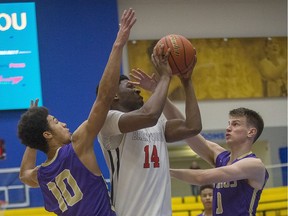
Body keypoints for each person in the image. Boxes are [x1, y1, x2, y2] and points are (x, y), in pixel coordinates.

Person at [17, 8, 136, 216]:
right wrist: (118, 45)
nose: (63, 123)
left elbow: (24, 175)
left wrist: (32, 130)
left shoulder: (42, 176)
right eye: (55, 121)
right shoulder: (77, 146)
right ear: (47, 134)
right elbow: (104, 98)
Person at [97, 45, 201, 216]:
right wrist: (165, 77)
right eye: (130, 86)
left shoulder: (155, 122)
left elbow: (192, 126)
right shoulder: (108, 120)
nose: (137, 88)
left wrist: (186, 81)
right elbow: (150, 114)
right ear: (114, 95)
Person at [170, 107, 269, 216]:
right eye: (229, 123)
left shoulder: (254, 164)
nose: (228, 128)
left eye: (235, 124)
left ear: (251, 132)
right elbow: (186, 130)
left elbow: (201, 178)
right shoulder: (222, 157)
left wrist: (167, 171)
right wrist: (161, 96)